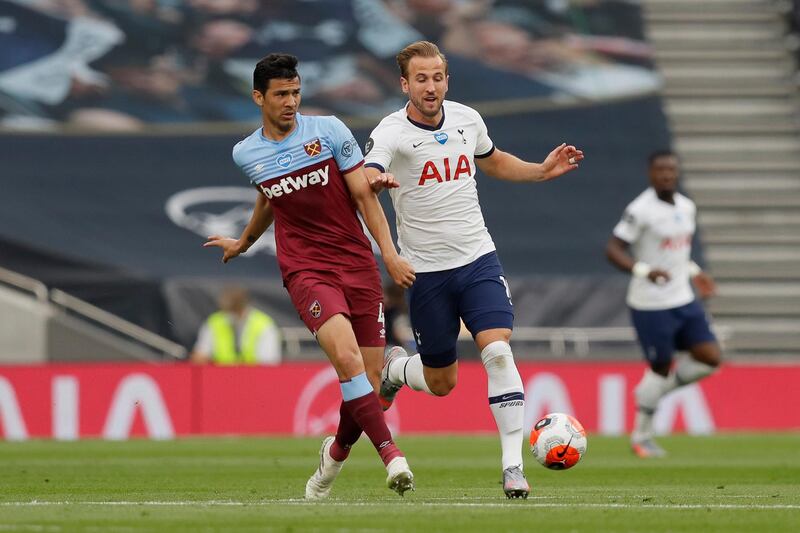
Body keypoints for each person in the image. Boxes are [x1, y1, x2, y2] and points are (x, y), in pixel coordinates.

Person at [363, 41, 584, 499]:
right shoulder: (390, 131)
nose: (431, 87)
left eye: (437, 77)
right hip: (425, 274)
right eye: (420, 79)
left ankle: (512, 466)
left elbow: (493, 161)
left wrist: (541, 171)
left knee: (498, 351)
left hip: (478, 259)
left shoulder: (467, 119)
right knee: (442, 382)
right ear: (404, 84)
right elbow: (368, 175)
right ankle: (397, 371)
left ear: (447, 79)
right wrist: (376, 180)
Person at [202, 53, 417, 499]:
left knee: (370, 385)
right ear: (258, 97)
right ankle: (392, 456)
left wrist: (390, 255)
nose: (291, 102)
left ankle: (334, 454)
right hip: (306, 269)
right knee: (348, 362)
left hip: (357, 263)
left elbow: (363, 196)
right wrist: (243, 243)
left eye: (296, 93)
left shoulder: (330, 131)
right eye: (281, 94)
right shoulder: (246, 152)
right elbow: (270, 199)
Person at [606, 150, 722, 458]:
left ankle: (649, 394)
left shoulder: (687, 206)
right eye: (660, 170)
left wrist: (697, 274)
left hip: (683, 298)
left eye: (671, 169)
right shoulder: (640, 210)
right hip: (650, 303)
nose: (667, 175)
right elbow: (613, 249)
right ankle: (642, 437)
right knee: (660, 366)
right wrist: (644, 270)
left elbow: (679, 254)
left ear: (677, 171)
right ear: (650, 174)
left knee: (710, 358)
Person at [190, 286, 281, 365]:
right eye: (226, 310)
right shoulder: (214, 322)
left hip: (254, 377)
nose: (229, 314)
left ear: (243, 306)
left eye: (234, 310)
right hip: (221, 377)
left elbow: (269, 362)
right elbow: (200, 356)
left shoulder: (263, 324)